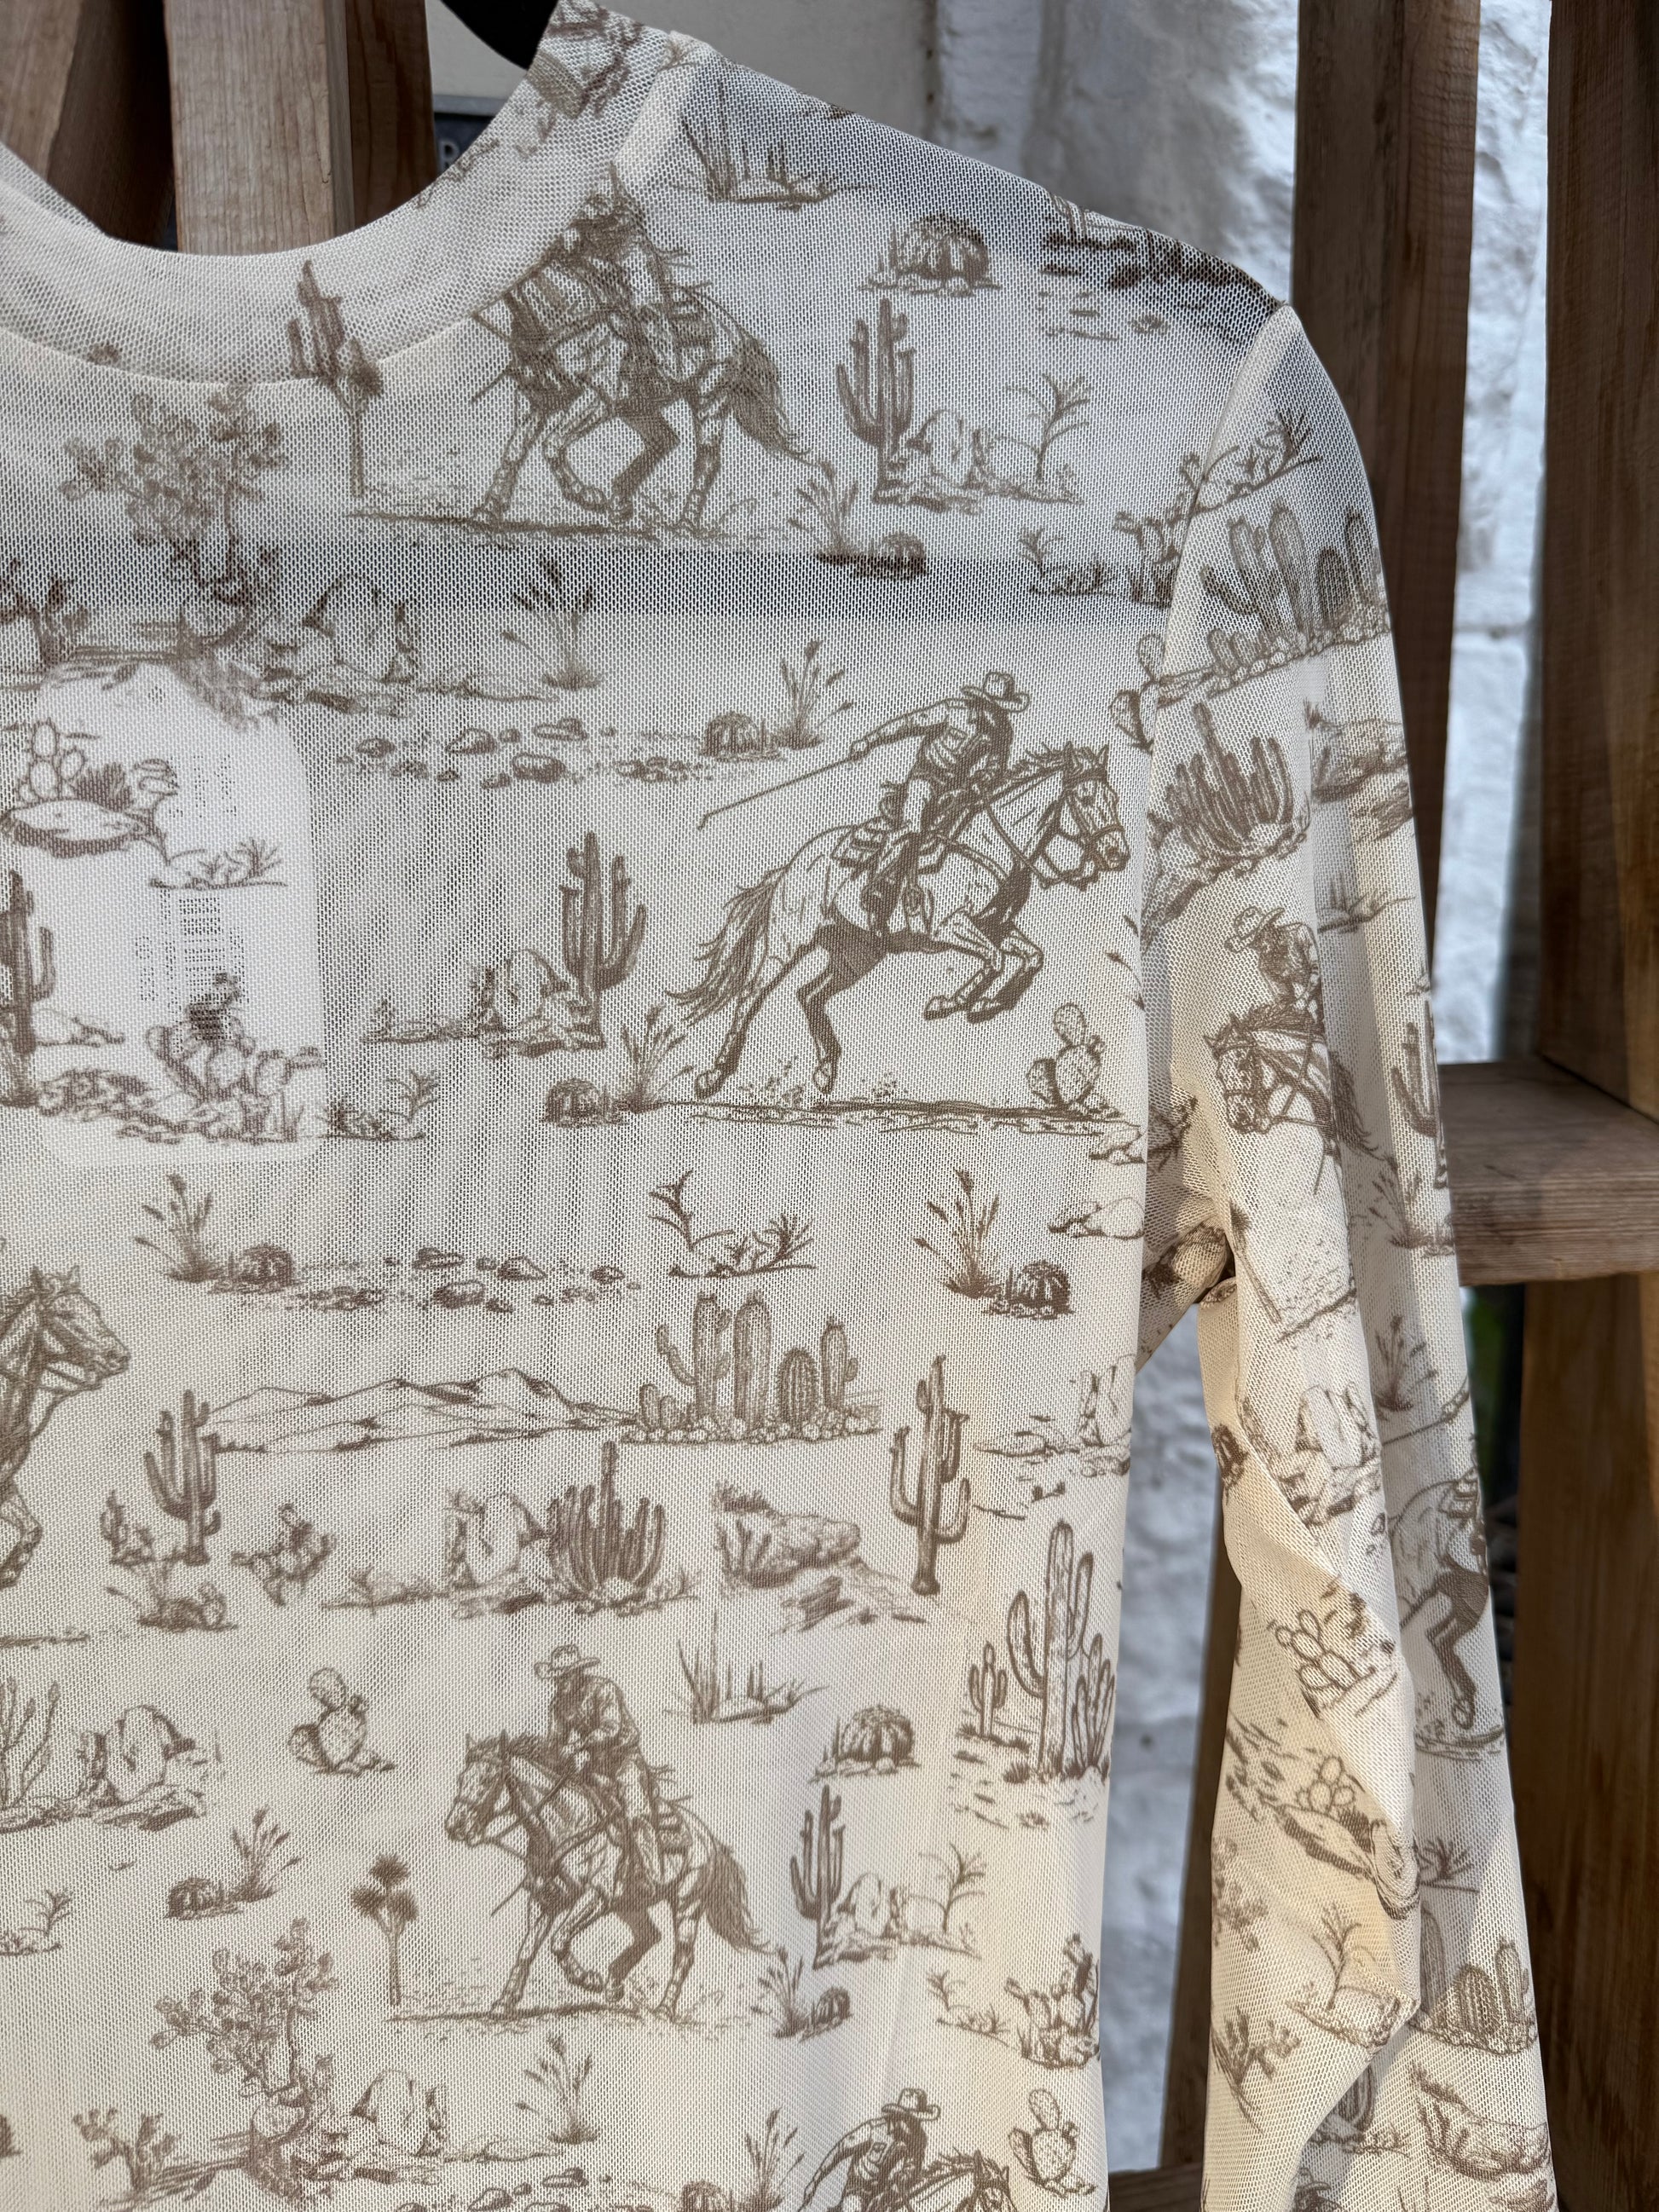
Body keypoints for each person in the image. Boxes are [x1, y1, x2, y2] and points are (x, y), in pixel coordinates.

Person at [849, 671, 1029, 934]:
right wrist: (869, 741)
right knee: (912, 827)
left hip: (958, 791)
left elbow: (996, 766)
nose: (996, 715)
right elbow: (907, 724)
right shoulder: (951, 711)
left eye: (1001, 710)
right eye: (992, 708)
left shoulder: (1001, 730)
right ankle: (881, 888)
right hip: (924, 779)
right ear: (980, 702)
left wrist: (980, 782)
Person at [535, 1643, 665, 1888]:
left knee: (635, 1810)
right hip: (595, 1764)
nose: (559, 1683)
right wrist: (549, 1756)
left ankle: (651, 1873)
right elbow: (555, 1741)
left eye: (564, 1677)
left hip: (624, 1759)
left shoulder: (604, 1689)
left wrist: (577, 1746)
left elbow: (611, 1728)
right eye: (556, 1678)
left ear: (577, 1673)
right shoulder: (558, 1704)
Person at [800, 2088, 939, 2212]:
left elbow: (913, 2166)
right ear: (898, 2116)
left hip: (884, 2193)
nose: (913, 2126)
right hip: (857, 2189)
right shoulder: (873, 2129)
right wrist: (815, 2182)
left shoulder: (916, 2138)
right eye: (911, 2120)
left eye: (916, 2121)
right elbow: (840, 2150)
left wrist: (901, 2180)